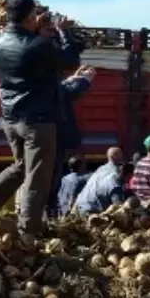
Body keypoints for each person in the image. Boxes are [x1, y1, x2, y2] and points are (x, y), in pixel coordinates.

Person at [0, 0, 84, 234]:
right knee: (38, 176)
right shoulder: (38, 45)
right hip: (38, 121)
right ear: (30, 17)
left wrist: (34, 26)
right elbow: (71, 59)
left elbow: (22, 45)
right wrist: (63, 32)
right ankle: (28, 229)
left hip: (11, 118)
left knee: (20, 166)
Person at [52, 65, 97, 215]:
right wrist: (85, 80)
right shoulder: (47, 87)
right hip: (56, 138)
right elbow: (65, 93)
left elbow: (60, 89)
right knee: (52, 178)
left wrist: (72, 79)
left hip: (51, 137)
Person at [74, 147, 127, 215]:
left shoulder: (99, 170)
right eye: (122, 155)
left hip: (79, 206)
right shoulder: (114, 177)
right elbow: (118, 205)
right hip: (91, 211)